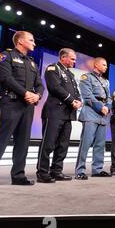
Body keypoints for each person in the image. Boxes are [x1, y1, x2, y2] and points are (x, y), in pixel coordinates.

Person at [0, 31, 44, 189]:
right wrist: (25, 93)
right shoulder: (6, 56)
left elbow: (40, 84)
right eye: (31, 40)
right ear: (21, 41)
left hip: (27, 106)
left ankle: (18, 176)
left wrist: (37, 96)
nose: (34, 43)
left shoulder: (32, 63)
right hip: (10, 103)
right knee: (0, 140)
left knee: (23, 142)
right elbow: (5, 78)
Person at [36, 48, 82, 183]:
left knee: (63, 145)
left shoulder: (70, 74)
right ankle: (42, 172)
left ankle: (56, 171)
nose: (74, 62)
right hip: (54, 112)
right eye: (72, 59)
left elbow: (76, 91)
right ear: (63, 57)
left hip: (67, 114)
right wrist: (71, 100)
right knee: (48, 144)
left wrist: (78, 100)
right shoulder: (53, 68)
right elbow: (55, 88)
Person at [75, 57, 112, 179]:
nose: (106, 67)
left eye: (106, 65)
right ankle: (80, 170)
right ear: (96, 65)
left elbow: (109, 97)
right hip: (91, 112)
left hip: (103, 115)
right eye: (104, 64)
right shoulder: (87, 77)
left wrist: (107, 107)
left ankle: (97, 169)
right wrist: (101, 107)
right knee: (85, 143)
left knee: (100, 144)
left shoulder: (105, 81)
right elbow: (87, 95)